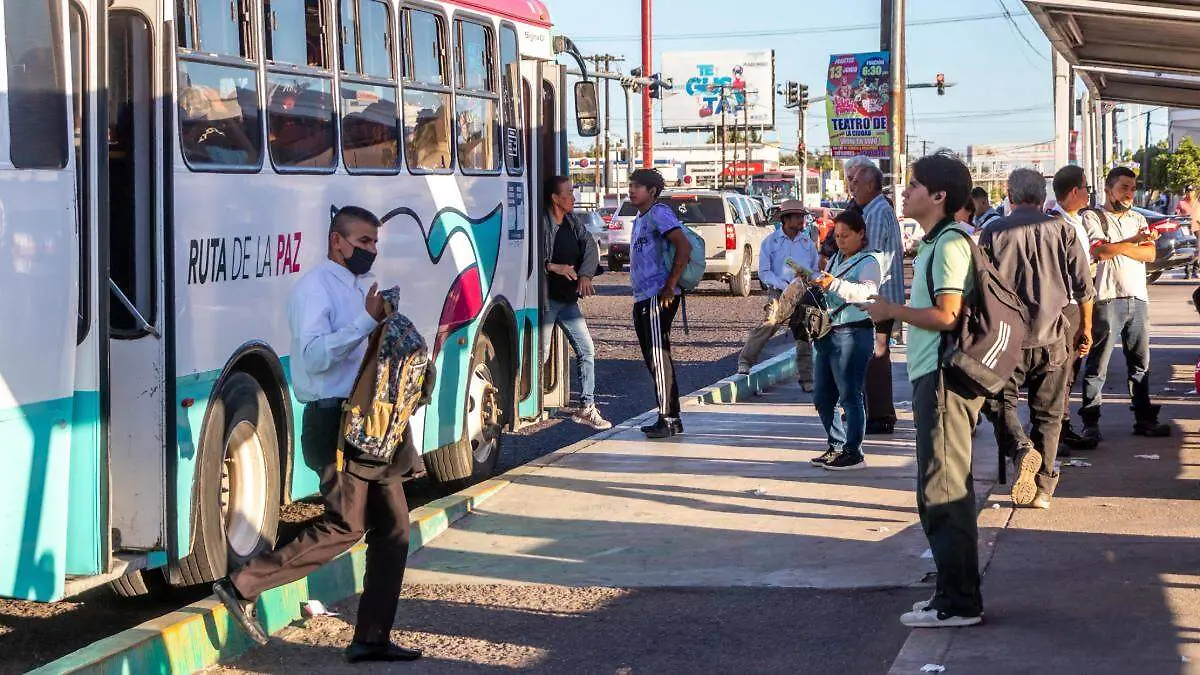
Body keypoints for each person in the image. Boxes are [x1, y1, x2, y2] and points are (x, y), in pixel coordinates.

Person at [214, 206, 423, 663]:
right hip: (334, 423)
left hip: (372, 425)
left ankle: (371, 638)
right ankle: (243, 584)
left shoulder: (356, 288)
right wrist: (367, 322)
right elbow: (313, 357)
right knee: (346, 526)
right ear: (337, 241)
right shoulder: (314, 288)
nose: (371, 250)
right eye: (363, 242)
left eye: (375, 243)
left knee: (395, 529)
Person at [865, 151, 984, 628]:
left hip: (941, 381)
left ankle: (960, 604)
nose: (905, 192)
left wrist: (891, 311)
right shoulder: (937, 241)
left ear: (938, 196)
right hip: (930, 377)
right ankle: (949, 594)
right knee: (938, 487)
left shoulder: (950, 243)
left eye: (914, 185)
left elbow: (947, 315)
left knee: (944, 490)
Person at [979, 169, 1095, 510]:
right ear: (1042, 196)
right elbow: (1084, 288)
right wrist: (1085, 328)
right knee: (1049, 414)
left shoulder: (992, 232)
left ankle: (1019, 447)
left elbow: (980, 288)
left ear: (1009, 195)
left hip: (1006, 338)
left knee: (997, 403)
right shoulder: (1063, 230)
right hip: (1054, 335)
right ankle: (1043, 488)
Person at [1078, 167, 1171, 440]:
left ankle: (1144, 418)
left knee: (1140, 364)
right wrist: (1133, 243)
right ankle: (1090, 423)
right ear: (1108, 189)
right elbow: (1100, 251)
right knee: (1098, 365)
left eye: (1132, 188)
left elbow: (1151, 254)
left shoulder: (1138, 218)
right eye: (1123, 188)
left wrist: (1124, 246)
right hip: (1107, 298)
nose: (1129, 193)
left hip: (1138, 298)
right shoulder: (1093, 217)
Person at [808, 210, 883, 471]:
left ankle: (854, 452)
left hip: (853, 333)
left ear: (861, 233)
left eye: (846, 235)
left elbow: (867, 293)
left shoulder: (870, 261)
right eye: (837, 235)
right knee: (822, 395)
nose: (840, 241)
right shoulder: (836, 258)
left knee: (850, 395)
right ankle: (836, 445)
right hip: (827, 333)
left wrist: (834, 285)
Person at [627, 168, 693, 439]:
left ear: (652, 191)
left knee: (658, 355)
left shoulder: (659, 213)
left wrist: (669, 285)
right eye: (630, 185)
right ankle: (667, 415)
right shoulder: (640, 218)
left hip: (658, 295)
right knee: (653, 358)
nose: (631, 190)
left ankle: (669, 418)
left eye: (637, 186)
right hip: (643, 297)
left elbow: (684, 247)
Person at [542, 176, 612, 430]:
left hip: (568, 301)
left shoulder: (573, 222)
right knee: (542, 353)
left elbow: (590, 247)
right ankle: (532, 404)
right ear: (555, 198)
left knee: (587, 350)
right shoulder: (542, 224)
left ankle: (587, 406)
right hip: (547, 301)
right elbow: (527, 257)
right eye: (568, 193)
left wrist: (585, 275)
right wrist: (553, 267)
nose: (573, 197)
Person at [736, 200, 819, 389]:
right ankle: (745, 362)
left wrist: (810, 277)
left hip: (802, 292)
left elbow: (814, 270)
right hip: (778, 291)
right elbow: (764, 272)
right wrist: (783, 284)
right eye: (797, 217)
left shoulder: (808, 244)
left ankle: (806, 378)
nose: (801, 221)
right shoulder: (770, 242)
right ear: (785, 219)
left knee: (803, 333)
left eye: (802, 217)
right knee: (769, 325)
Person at [848, 160, 904, 436]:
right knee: (871, 355)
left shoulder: (878, 212)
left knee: (876, 355)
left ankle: (880, 416)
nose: (852, 187)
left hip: (877, 297)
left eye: (856, 182)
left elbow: (871, 255)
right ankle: (874, 412)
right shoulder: (871, 209)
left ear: (871, 185)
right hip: (875, 296)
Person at [1050, 166, 1101, 454]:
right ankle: (1055, 429)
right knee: (1061, 371)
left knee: (1069, 372)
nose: (1088, 193)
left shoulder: (1076, 222)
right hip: (1067, 305)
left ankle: (1063, 426)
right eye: (1086, 188)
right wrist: (1086, 323)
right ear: (1074, 191)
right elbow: (1078, 278)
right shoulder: (1059, 225)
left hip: (1075, 303)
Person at [1177, 188, 1199, 278]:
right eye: (1188, 191)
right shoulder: (1181, 203)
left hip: (1196, 228)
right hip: (1185, 229)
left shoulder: (1197, 203)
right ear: (1185, 192)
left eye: (1191, 191)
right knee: (1188, 249)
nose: (1190, 193)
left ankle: (1195, 270)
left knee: (1197, 249)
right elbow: (1177, 214)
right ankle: (1187, 271)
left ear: (1194, 192)